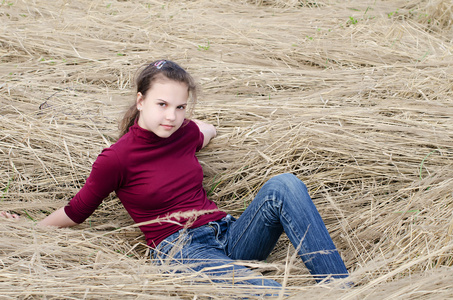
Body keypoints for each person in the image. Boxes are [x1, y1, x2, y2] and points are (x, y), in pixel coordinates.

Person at [1, 59, 349, 290]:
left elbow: (205, 130)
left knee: (284, 184)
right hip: (182, 251)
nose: (171, 116)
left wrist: (203, 128)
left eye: (180, 107)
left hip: (228, 234)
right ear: (140, 101)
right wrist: (31, 228)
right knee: (269, 293)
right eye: (162, 105)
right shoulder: (116, 159)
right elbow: (77, 211)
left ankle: (339, 288)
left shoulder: (184, 133)